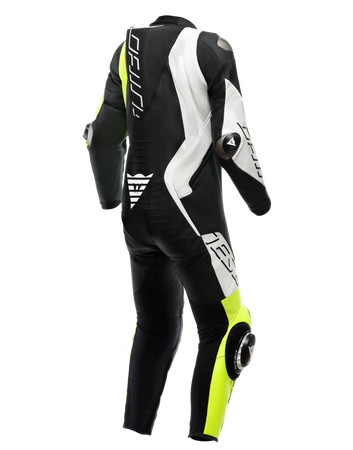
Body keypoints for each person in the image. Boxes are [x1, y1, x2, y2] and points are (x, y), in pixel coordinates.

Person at [80, 12, 273, 444]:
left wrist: (110, 201)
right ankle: (203, 441)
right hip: (190, 214)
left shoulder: (124, 50)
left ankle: (134, 432)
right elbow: (231, 140)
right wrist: (260, 202)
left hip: (136, 216)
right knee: (228, 327)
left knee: (154, 328)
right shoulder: (213, 47)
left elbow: (100, 136)